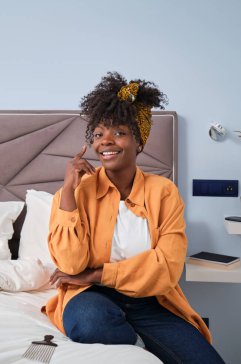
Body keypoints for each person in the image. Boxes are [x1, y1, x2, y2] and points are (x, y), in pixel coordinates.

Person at [45, 72, 225, 363]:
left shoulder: (164, 192)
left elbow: (167, 268)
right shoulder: (77, 192)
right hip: (92, 296)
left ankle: (138, 333)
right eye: (99, 133)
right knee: (90, 320)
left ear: (139, 141)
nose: (106, 142)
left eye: (119, 132)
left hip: (151, 301)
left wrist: (98, 273)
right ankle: (136, 343)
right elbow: (70, 264)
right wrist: (68, 190)